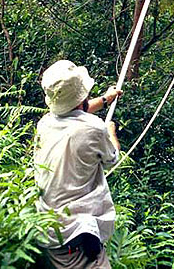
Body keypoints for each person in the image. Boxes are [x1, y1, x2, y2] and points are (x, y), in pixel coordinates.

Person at [34, 59, 122, 269]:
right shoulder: (95, 128)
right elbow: (112, 159)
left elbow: (72, 115)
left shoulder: (44, 123)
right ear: (81, 95)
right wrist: (111, 133)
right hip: (76, 242)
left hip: (47, 232)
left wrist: (104, 100)